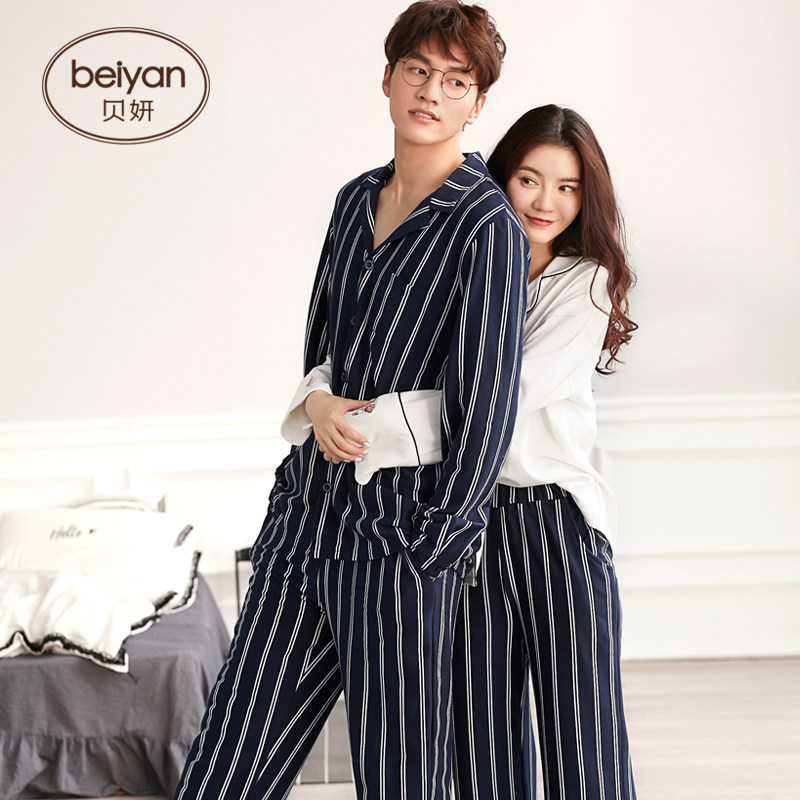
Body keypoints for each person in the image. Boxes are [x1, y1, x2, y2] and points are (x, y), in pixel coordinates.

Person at [173, 3, 528, 800]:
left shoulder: (486, 226)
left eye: (455, 80)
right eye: (418, 71)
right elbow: (319, 355)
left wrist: (437, 545)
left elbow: (487, 403)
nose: (431, 91)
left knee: (401, 778)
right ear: (388, 78)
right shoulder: (353, 199)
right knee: (227, 762)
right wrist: (320, 406)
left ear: (477, 103)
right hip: (306, 520)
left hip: (402, 539)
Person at [294, 104, 638, 799]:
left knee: (583, 740)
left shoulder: (586, 285)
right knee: (482, 743)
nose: (545, 202)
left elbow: (493, 401)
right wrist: (320, 399)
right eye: (529, 180)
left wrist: (358, 424)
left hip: (554, 525)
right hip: (471, 518)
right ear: (502, 178)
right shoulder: (465, 260)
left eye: (568, 187)